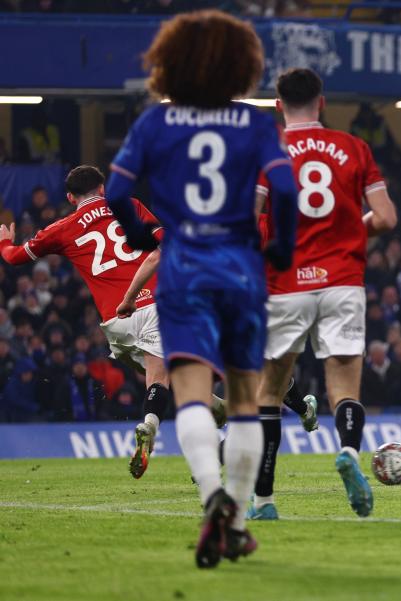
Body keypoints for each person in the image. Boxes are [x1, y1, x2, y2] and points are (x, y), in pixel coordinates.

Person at [103, 10, 298, 568]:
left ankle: (210, 493)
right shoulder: (255, 122)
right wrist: (280, 248)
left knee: (188, 391)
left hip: (183, 266)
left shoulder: (154, 124)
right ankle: (233, 516)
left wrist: (142, 232)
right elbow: (283, 189)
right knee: (242, 396)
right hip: (239, 268)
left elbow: (117, 191)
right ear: (242, 63)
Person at [254, 67, 397, 519]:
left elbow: (247, 218)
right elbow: (387, 218)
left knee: (270, 392)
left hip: (286, 283)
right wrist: (353, 230)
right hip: (343, 281)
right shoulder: (355, 148)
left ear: (278, 105)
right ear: (321, 102)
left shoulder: (268, 150)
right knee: (343, 388)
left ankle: (263, 502)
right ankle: (350, 455)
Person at [0, 165, 174, 478]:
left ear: (69, 196)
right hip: (150, 304)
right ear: (103, 188)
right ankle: (150, 424)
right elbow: (164, 244)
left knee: (158, 373)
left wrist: (4, 242)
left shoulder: (62, 228)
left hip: (115, 324)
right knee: (161, 378)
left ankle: (213, 408)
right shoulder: (130, 205)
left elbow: (14, 258)